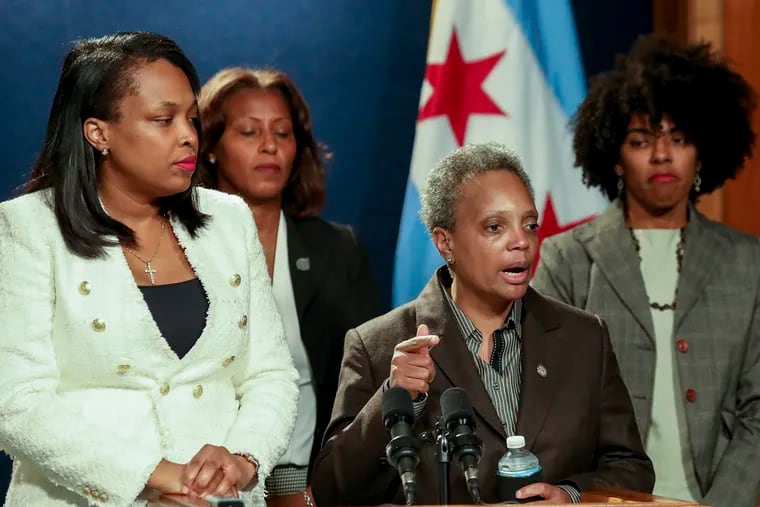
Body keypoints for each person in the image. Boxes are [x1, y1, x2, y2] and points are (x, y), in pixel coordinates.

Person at [0, 32, 299, 507]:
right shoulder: (27, 228)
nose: (187, 135)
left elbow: (270, 374)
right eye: (163, 120)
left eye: (192, 119)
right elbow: (16, 404)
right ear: (98, 133)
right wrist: (154, 477)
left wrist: (243, 459)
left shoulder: (228, 219)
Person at [311, 143, 654, 505]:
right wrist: (392, 398)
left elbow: (631, 468)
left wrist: (570, 496)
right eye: (495, 227)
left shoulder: (585, 338)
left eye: (530, 225)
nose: (521, 242)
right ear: (445, 242)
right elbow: (332, 491)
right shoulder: (377, 345)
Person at [532, 35, 760, 507]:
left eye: (679, 139)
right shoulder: (566, 259)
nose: (661, 155)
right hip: (602, 500)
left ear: (701, 153)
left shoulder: (748, 262)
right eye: (641, 140)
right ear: (615, 156)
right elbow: (541, 400)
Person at [198, 68, 380, 502]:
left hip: (312, 484)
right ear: (210, 148)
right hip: (203, 479)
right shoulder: (172, 246)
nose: (269, 146)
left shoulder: (338, 247)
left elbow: (370, 377)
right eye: (248, 131)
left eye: (282, 133)